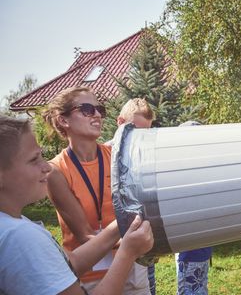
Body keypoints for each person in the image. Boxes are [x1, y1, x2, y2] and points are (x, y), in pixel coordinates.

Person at [0, 115, 154, 294]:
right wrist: (128, 253)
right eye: (34, 159)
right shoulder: (19, 237)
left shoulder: (9, 225)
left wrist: (120, 224)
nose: (46, 167)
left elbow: (70, 263)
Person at [43, 86, 151, 294]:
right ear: (64, 120)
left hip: (131, 269)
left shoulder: (119, 157)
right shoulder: (55, 171)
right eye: (87, 109)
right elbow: (85, 235)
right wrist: (132, 241)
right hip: (91, 278)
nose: (98, 115)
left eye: (99, 109)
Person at [112, 98, 157, 295]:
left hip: (141, 255)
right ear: (120, 123)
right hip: (112, 258)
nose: (141, 139)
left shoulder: (146, 161)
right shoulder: (105, 156)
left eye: (146, 132)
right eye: (137, 132)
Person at [175, 120, 213, 295]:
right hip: (188, 251)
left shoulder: (203, 171)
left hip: (203, 246)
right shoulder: (181, 175)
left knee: (200, 289)